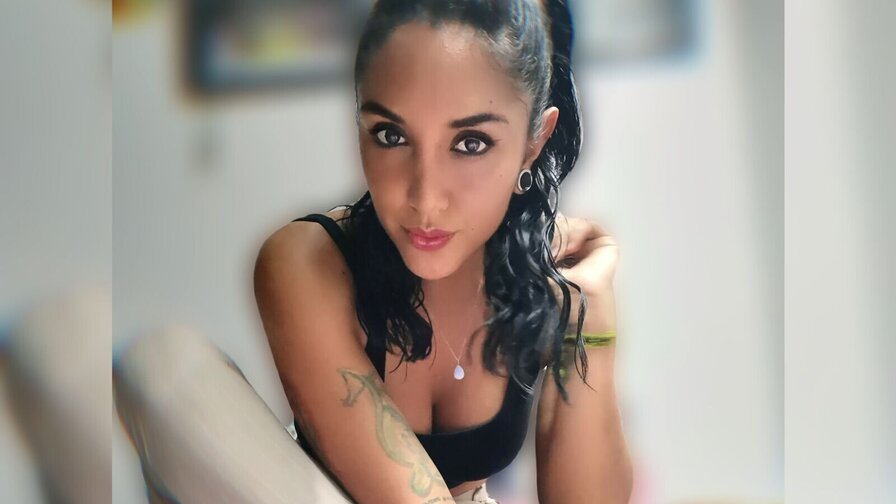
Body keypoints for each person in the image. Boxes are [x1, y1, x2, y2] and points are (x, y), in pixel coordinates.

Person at [114, 1, 631, 503]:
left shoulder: (546, 278)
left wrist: (591, 314)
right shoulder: (307, 262)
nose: (425, 198)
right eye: (391, 135)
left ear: (534, 143)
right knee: (163, 362)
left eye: (471, 143)